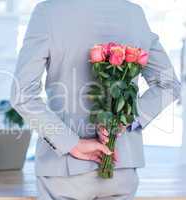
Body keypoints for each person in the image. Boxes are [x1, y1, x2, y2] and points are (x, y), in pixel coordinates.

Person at [11, 0, 181, 199]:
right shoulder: (134, 14)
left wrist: (71, 143)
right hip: (121, 165)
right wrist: (125, 121)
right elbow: (169, 85)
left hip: (65, 169)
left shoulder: (48, 11)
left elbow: (22, 94)